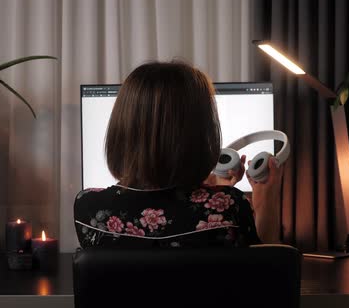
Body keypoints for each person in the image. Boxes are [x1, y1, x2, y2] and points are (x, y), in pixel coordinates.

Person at [74, 61, 283, 248]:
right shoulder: (231, 206)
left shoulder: (88, 206)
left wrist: (216, 190)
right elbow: (268, 275)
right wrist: (266, 202)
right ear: (201, 135)